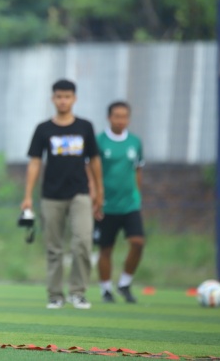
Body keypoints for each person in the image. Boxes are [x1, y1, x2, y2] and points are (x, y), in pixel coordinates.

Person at [20, 79, 103, 310]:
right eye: (59, 97)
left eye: (67, 97)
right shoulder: (44, 129)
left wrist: (99, 190)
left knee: (83, 242)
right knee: (54, 247)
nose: (63, 101)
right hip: (51, 195)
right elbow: (35, 162)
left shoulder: (85, 127)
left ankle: (78, 292)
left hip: (80, 193)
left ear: (74, 99)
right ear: (53, 99)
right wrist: (28, 195)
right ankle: (55, 295)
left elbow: (94, 160)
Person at [93, 101, 145, 304]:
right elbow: (92, 170)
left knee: (138, 243)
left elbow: (138, 169)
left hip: (130, 204)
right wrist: (95, 197)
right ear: (109, 117)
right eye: (117, 116)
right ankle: (106, 289)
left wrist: (137, 195)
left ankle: (124, 283)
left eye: (125, 116)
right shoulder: (99, 141)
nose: (121, 120)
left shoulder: (135, 142)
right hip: (107, 205)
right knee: (106, 249)